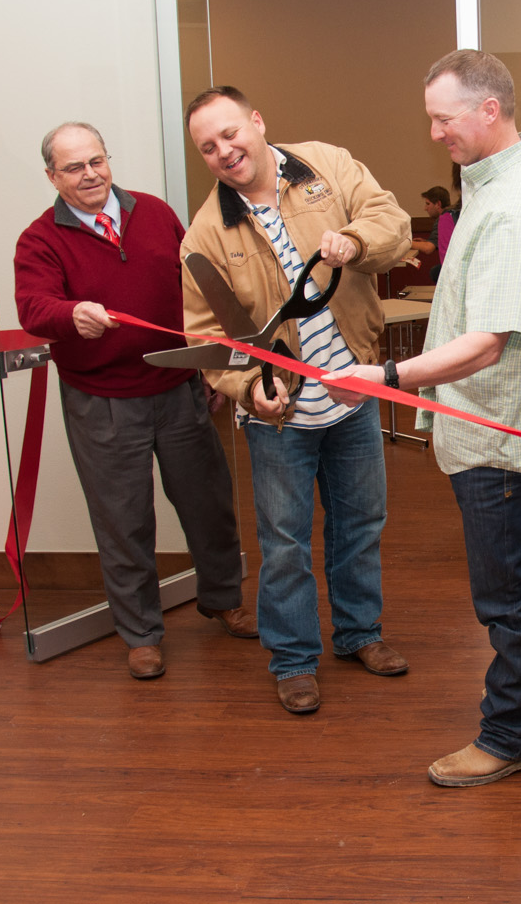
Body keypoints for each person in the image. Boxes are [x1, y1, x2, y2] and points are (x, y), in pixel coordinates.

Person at [324, 50, 521, 787]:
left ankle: (513, 734)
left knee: (505, 594)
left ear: (488, 111)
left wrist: (386, 376)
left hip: (496, 434)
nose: (434, 132)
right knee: (518, 581)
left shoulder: (513, 205)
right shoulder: (493, 184)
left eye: (443, 118)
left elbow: (485, 343)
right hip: (489, 426)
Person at [180, 86, 412, 714]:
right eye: (209, 147)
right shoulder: (204, 235)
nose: (225, 151)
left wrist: (354, 242)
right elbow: (206, 339)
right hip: (280, 419)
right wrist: (249, 390)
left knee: (361, 524)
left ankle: (360, 633)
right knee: (284, 542)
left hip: (353, 393)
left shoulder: (327, 166)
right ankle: (292, 660)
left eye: (231, 133)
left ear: (257, 121)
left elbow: (393, 225)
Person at [13, 122, 253, 680]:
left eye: (97, 161)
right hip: (102, 400)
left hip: (177, 389)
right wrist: (69, 316)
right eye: (74, 167)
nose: (90, 174)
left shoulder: (154, 212)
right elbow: (34, 307)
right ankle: (142, 634)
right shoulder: (39, 240)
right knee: (123, 522)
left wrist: (213, 368)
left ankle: (223, 599)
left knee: (209, 504)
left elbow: (200, 287)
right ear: (52, 176)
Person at [410, 185, 449, 256]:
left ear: (438, 204)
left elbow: (428, 248)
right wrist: (427, 242)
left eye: (428, 204)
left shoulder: (443, 219)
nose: (425, 208)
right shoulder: (451, 215)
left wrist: (406, 243)